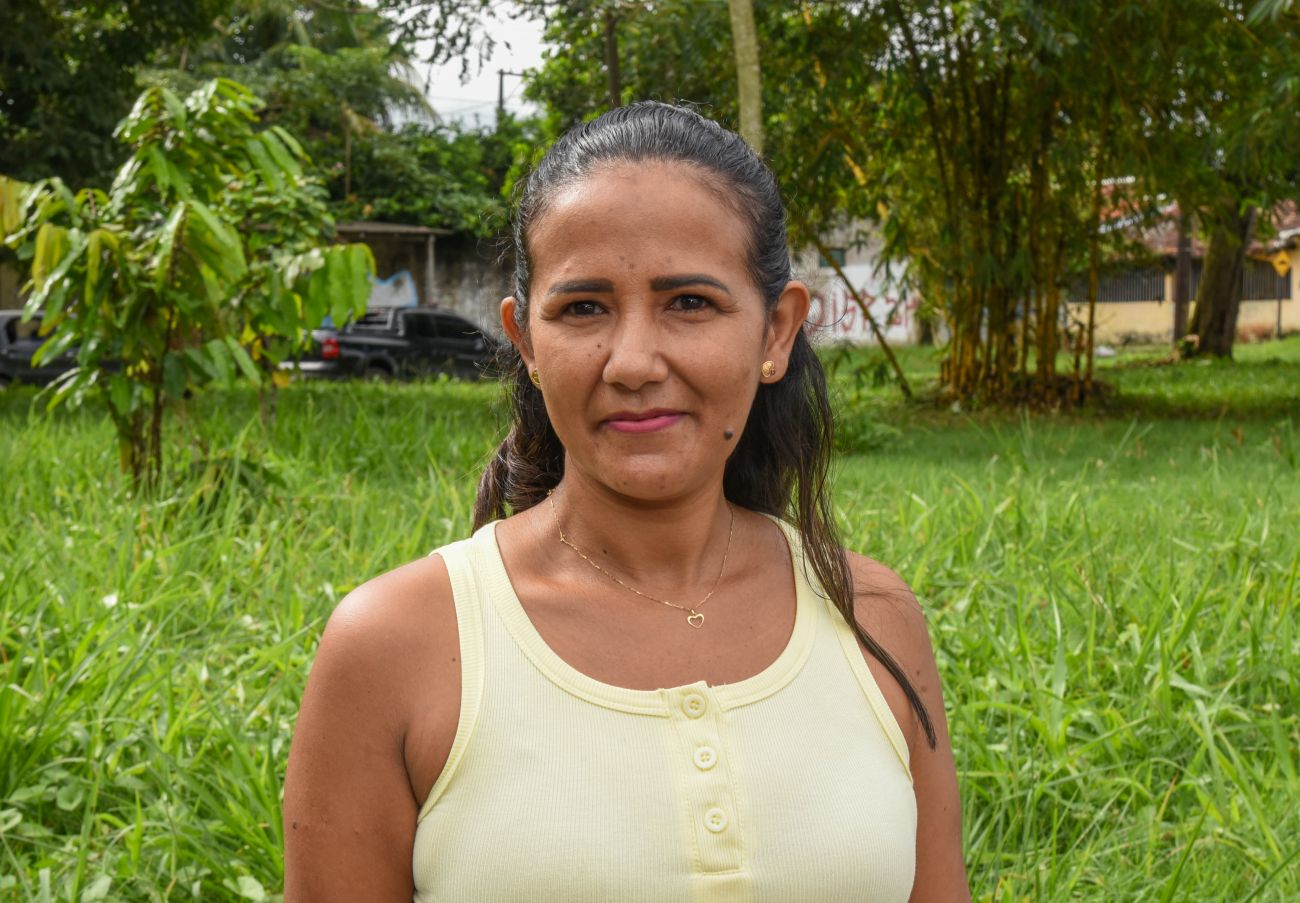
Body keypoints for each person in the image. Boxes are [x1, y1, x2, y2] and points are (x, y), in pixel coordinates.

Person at [283, 102, 969, 902]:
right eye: (584, 308)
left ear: (777, 332)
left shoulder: (873, 621)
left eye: (690, 302)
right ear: (526, 340)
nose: (634, 362)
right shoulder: (395, 646)